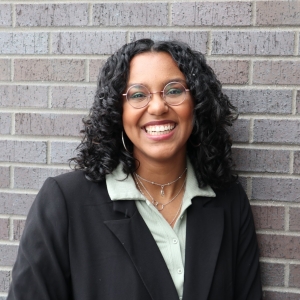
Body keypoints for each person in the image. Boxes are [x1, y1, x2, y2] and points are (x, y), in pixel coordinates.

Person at [7, 39, 262, 300]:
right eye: (138, 95)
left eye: (174, 91)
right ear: (118, 112)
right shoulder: (65, 202)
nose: (158, 107)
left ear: (197, 104)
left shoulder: (229, 201)